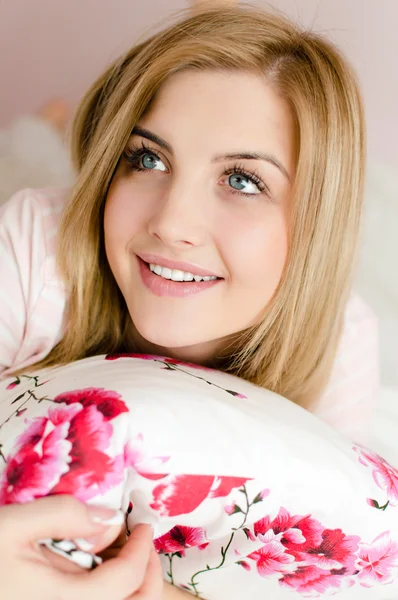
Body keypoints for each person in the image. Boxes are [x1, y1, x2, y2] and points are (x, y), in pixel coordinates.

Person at [0, 2, 379, 598]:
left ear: (315, 220)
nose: (172, 222)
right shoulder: (35, 248)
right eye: (147, 158)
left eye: (243, 180)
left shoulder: (342, 342)